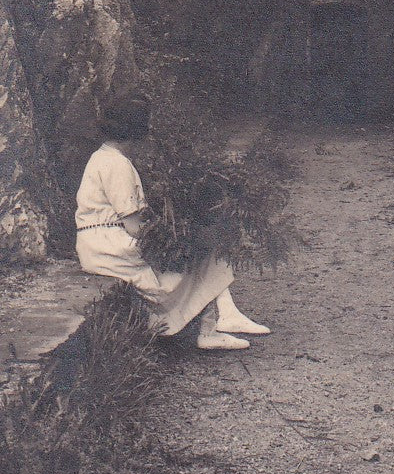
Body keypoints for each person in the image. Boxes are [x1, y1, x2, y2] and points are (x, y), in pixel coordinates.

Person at [74, 94, 271, 351]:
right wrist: (176, 239)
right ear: (135, 132)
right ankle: (211, 327)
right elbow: (135, 227)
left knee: (199, 246)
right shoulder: (117, 165)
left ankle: (225, 315)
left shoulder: (101, 157)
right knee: (203, 249)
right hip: (111, 247)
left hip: (98, 243)